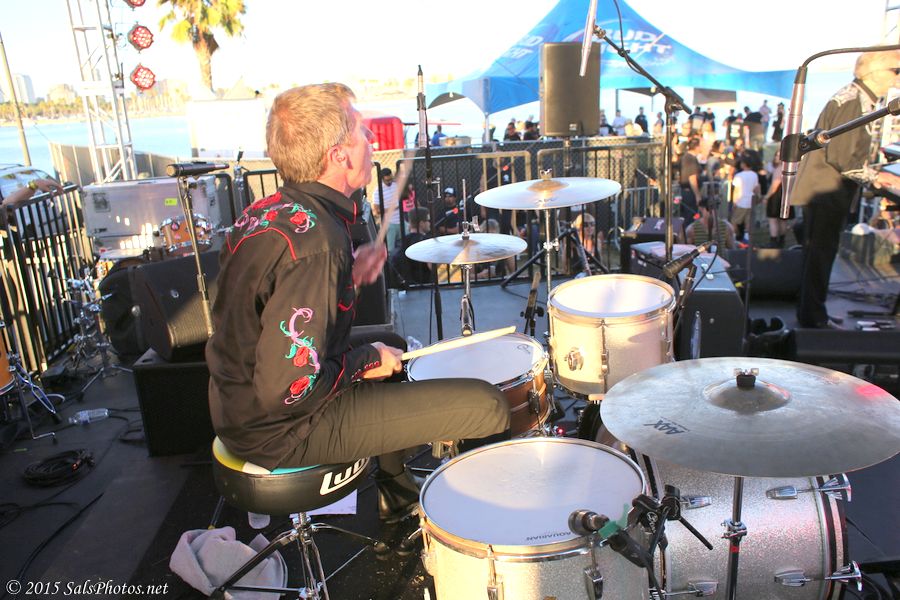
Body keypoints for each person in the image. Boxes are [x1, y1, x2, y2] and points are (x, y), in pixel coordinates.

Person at [205, 83, 510, 523]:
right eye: (362, 132)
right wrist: (366, 359)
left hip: (236, 403)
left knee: (393, 342)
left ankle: (396, 499)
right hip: (281, 430)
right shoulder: (319, 243)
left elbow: (269, 306)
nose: (371, 140)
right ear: (339, 156)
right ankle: (479, 530)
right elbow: (289, 389)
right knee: (487, 405)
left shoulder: (267, 211)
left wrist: (347, 276)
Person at [791, 50, 900, 329]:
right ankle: (814, 319)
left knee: (817, 254)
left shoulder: (856, 97)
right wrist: (878, 177)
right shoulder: (853, 102)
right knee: (820, 254)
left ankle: (811, 313)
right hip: (826, 190)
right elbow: (842, 157)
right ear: (875, 72)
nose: (897, 78)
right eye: (896, 71)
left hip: (823, 188)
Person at [763, 149, 793, 247]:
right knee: (783, 220)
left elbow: (774, 185)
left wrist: (767, 197)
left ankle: (774, 241)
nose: (776, 157)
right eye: (776, 155)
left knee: (773, 220)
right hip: (786, 195)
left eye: (779, 156)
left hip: (776, 197)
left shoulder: (779, 168)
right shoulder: (790, 168)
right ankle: (781, 241)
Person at [730, 157, 760, 242]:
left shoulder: (739, 175)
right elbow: (756, 188)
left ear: (744, 164)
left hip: (741, 201)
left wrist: (734, 202)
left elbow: (736, 190)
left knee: (734, 221)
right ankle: (747, 238)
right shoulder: (754, 175)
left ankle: (734, 236)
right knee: (748, 221)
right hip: (750, 200)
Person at [373, 167, 401, 250]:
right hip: (389, 223)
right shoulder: (378, 191)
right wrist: (392, 208)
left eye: (391, 179)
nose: (390, 182)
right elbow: (377, 211)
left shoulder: (396, 185)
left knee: (406, 245)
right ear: (382, 179)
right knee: (390, 249)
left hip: (401, 220)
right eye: (387, 180)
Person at [678, 137, 703, 222]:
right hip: (689, 193)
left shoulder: (687, 157)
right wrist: (697, 195)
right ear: (697, 147)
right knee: (691, 217)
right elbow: (692, 178)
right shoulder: (690, 158)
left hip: (688, 192)